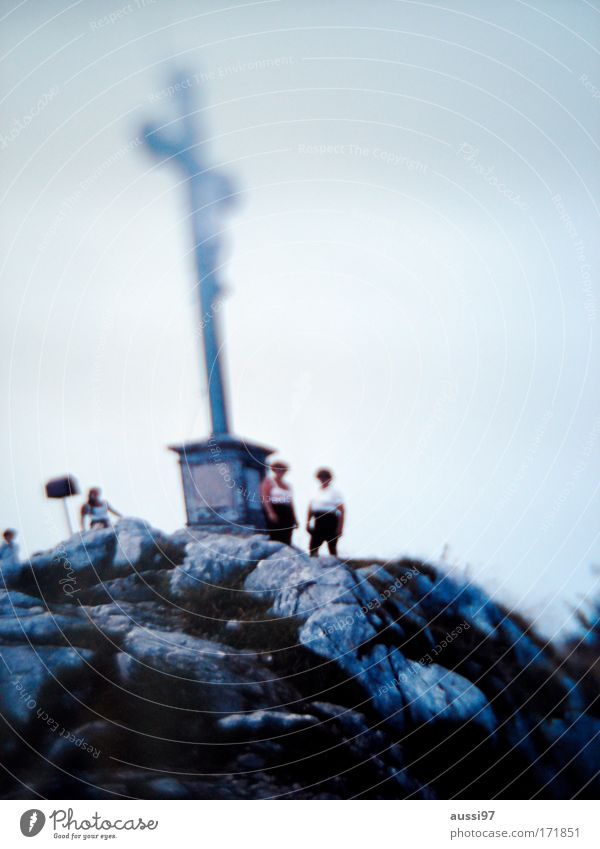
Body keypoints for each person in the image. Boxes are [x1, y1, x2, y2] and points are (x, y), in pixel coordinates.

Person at [307, 468, 345, 557]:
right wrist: (308, 522)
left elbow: (342, 511)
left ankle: (336, 568)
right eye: (321, 477)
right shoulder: (315, 492)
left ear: (330, 479)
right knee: (313, 547)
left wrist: (340, 528)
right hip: (318, 521)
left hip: (330, 521)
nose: (323, 479)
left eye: (325, 477)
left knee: (332, 547)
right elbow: (310, 509)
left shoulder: (335, 492)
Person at [260, 460, 297, 545]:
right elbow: (265, 498)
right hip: (275, 509)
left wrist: (295, 517)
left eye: (283, 470)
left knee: (287, 536)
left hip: (287, 512)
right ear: (274, 470)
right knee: (276, 535)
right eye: (279, 470)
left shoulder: (288, 485)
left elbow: (291, 502)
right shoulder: (269, 481)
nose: (281, 472)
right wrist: (270, 513)